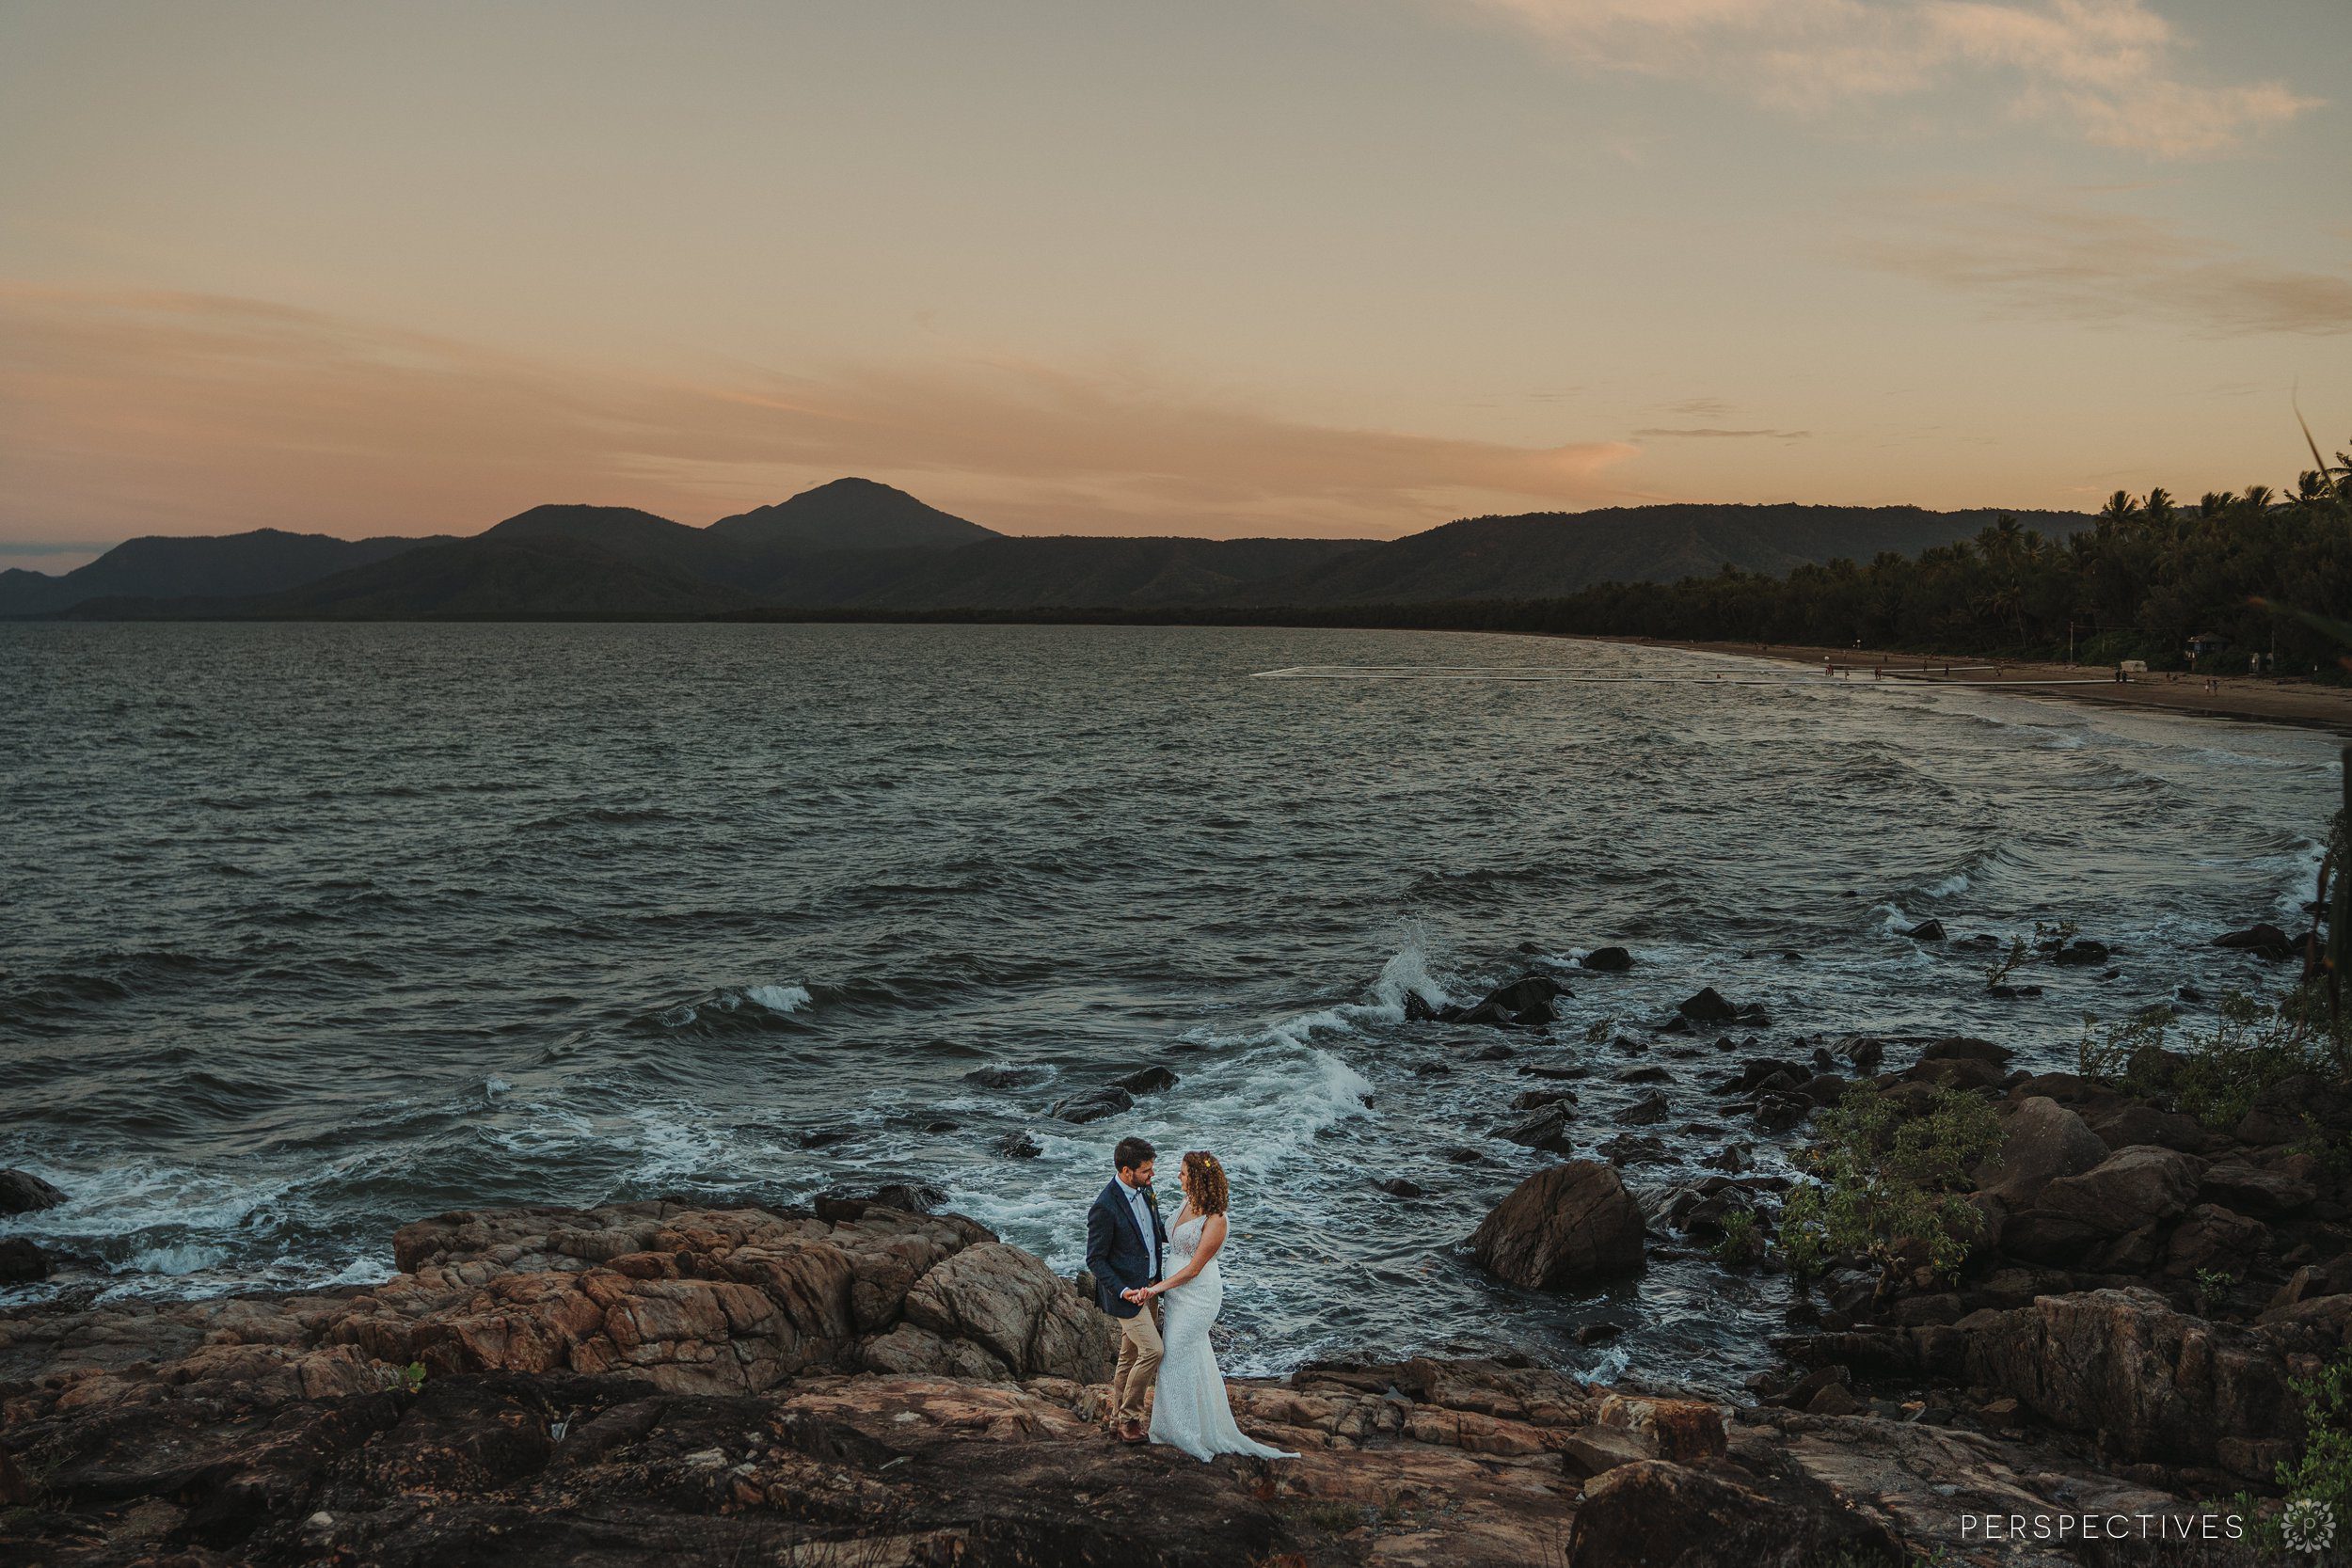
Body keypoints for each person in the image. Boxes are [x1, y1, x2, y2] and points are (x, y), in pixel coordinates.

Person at [1129, 1150, 1296, 1463]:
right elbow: (1169, 1238)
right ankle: (1185, 1427)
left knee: (1173, 1356)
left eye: (1182, 1173)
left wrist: (1154, 1290)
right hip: (1177, 1295)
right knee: (1193, 1359)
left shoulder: (1216, 1219)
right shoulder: (1185, 1204)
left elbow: (1194, 1269)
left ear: (1197, 1178)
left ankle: (1184, 1434)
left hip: (1198, 1296)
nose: (1178, 1176)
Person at [1084, 1136, 1166, 1444]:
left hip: (1152, 1289)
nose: (1152, 1175)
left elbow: (1154, 1234)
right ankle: (1130, 1418)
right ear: (1126, 1170)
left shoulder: (1147, 1192)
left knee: (1129, 1357)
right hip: (1128, 1296)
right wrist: (1122, 1291)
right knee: (1153, 1350)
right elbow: (1095, 1259)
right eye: (1146, 1170)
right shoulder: (1104, 1207)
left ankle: (1117, 1420)